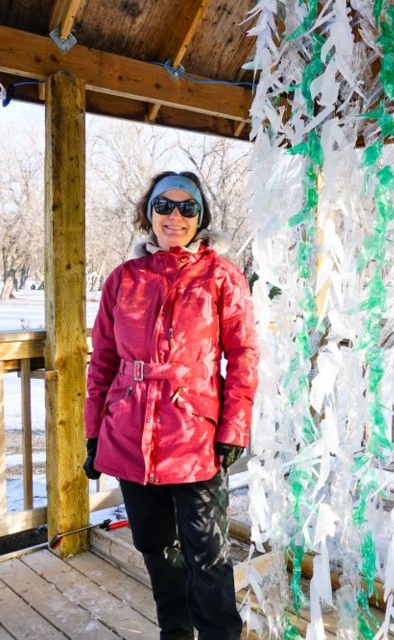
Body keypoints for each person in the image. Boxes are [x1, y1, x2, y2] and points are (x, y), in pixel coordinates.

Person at [84, 171, 258, 640]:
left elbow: (242, 354)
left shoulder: (221, 276)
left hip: (194, 434)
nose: (174, 216)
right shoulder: (123, 279)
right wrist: (94, 431)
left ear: (200, 217)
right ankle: (174, 633)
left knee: (208, 553)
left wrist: (234, 428)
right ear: (149, 212)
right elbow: (102, 359)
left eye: (187, 207)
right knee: (156, 549)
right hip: (128, 433)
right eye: (164, 205)